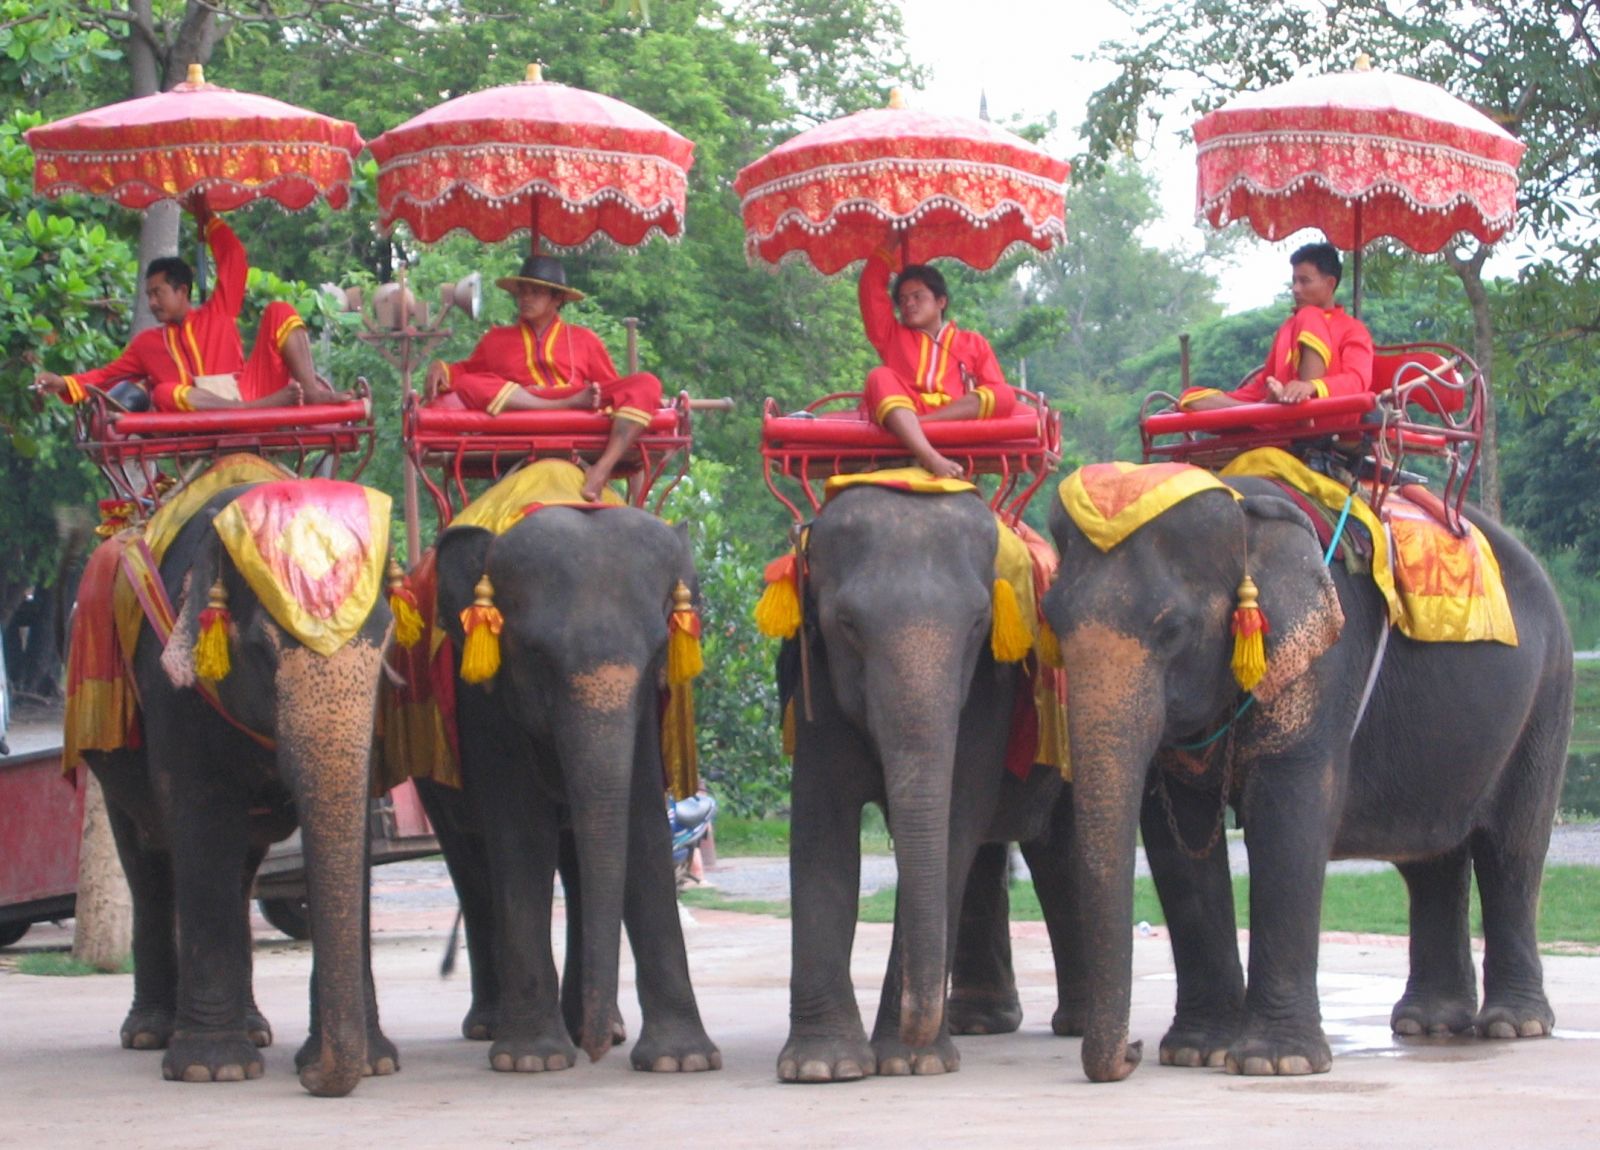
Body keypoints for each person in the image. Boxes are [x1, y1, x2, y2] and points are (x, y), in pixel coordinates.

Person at [33, 200, 337, 413]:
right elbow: (104, 377)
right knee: (164, 390)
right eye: (148, 295)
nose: (152, 302)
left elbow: (234, 260)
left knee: (280, 310)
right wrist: (63, 383)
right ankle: (245, 411)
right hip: (203, 415)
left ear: (182, 291)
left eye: (158, 293)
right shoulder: (146, 344)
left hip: (248, 390)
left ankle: (310, 392)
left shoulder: (218, 311)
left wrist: (207, 218)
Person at [424, 255, 664, 502]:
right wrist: (439, 366)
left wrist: (590, 398)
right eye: (522, 292)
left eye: (535, 292)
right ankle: (561, 405)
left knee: (647, 383)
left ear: (557, 298)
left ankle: (601, 469)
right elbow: (463, 375)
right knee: (470, 383)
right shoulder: (495, 339)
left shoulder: (585, 339)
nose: (525, 299)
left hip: (578, 401)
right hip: (522, 406)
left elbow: (608, 389)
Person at [858, 245, 1016, 479]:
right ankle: (930, 457)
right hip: (903, 409)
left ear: (941, 301)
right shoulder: (891, 334)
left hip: (952, 414)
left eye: (917, 296)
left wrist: (924, 421)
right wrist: (888, 243)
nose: (909, 304)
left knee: (1004, 393)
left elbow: (998, 394)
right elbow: (870, 287)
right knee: (878, 376)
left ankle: (917, 426)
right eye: (902, 299)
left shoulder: (973, 342)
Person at [1178, 241, 1374, 411]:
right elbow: (1264, 384)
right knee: (1192, 396)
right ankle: (1260, 410)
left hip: (1323, 412)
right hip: (1275, 408)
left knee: (1309, 315)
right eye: (1294, 281)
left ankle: (1266, 410)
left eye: (1304, 281)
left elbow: (1357, 382)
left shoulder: (1352, 329)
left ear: (1330, 284)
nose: (1296, 289)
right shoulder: (1288, 327)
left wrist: (1312, 386)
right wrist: (1260, 401)